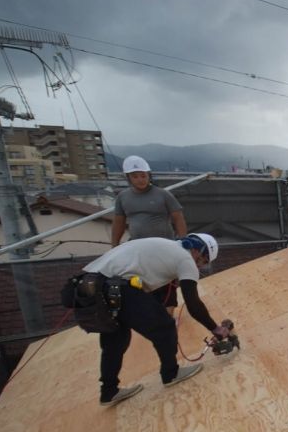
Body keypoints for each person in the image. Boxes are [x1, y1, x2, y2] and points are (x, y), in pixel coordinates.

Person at [77, 233, 231, 406]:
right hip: (116, 286)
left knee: (116, 338)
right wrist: (215, 328)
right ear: (197, 250)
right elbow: (193, 304)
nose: (199, 266)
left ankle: (108, 391)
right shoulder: (185, 258)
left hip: (85, 285)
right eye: (202, 261)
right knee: (165, 327)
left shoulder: (164, 247)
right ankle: (170, 373)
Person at [112, 155, 188, 311]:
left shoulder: (163, 194)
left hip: (165, 247)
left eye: (143, 176)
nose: (140, 180)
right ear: (128, 178)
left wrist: (183, 241)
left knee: (167, 280)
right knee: (141, 280)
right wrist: (114, 246)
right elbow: (119, 222)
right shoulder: (123, 197)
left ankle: (168, 314)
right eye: (135, 176)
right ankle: (152, 311)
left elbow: (178, 218)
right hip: (138, 249)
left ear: (148, 175)